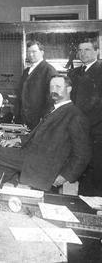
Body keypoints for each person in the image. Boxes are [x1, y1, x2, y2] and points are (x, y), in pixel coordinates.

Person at [0, 75, 91, 191]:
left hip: (44, 164)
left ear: (69, 89)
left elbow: (83, 155)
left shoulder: (75, 115)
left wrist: (65, 176)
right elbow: (37, 134)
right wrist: (18, 139)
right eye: (51, 87)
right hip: (33, 156)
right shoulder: (53, 109)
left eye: (58, 86)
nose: (54, 90)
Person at [68, 38, 102, 195]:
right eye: (80, 50)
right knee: (82, 167)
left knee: (95, 170)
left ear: (97, 51)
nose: (83, 53)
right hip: (78, 128)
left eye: (87, 49)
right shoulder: (74, 72)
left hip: (96, 130)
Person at [15, 40, 58, 129]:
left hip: (39, 120)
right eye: (28, 52)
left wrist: (44, 118)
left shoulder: (49, 70)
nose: (30, 55)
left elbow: (52, 99)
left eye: (34, 52)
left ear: (42, 52)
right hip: (24, 120)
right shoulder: (26, 71)